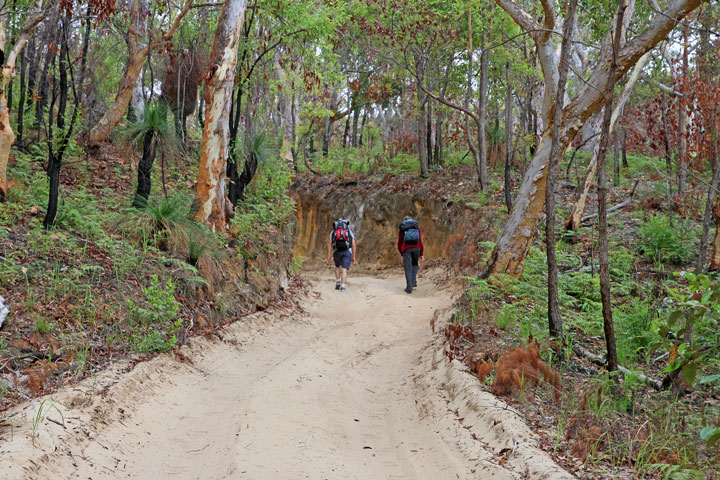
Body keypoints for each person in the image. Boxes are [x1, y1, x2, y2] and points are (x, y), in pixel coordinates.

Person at [327, 218, 356, 291]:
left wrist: (329, 255)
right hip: (347, 251)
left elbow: (330, 244)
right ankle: (343, 286)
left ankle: (338, 281)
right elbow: (353, 245)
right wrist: (353, 256)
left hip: (337, 251)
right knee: (344, 269)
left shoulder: (333, 231)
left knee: (337, 267)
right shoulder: (348, 231)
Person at [398, 216, 424, 294]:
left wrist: (401, 253)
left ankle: (409, 288)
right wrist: (421, 253)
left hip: (407, 249)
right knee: (415, 264)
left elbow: (400, 242)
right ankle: (413, 281)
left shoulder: (403, 228)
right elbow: (420, 241)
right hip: (417, 248)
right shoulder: (416, 227)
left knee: (408, 268)